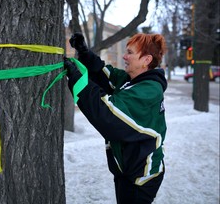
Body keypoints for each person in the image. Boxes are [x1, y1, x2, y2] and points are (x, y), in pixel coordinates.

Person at [64, 32, 167, 204]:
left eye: (130, 53)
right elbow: (106, 75)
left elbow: (107, 114)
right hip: (127, 168)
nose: (125, 56)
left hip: (141, 177)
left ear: (146, 60)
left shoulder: (148, 91)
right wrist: (84, 53)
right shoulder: (133, 80)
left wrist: (76, 78)